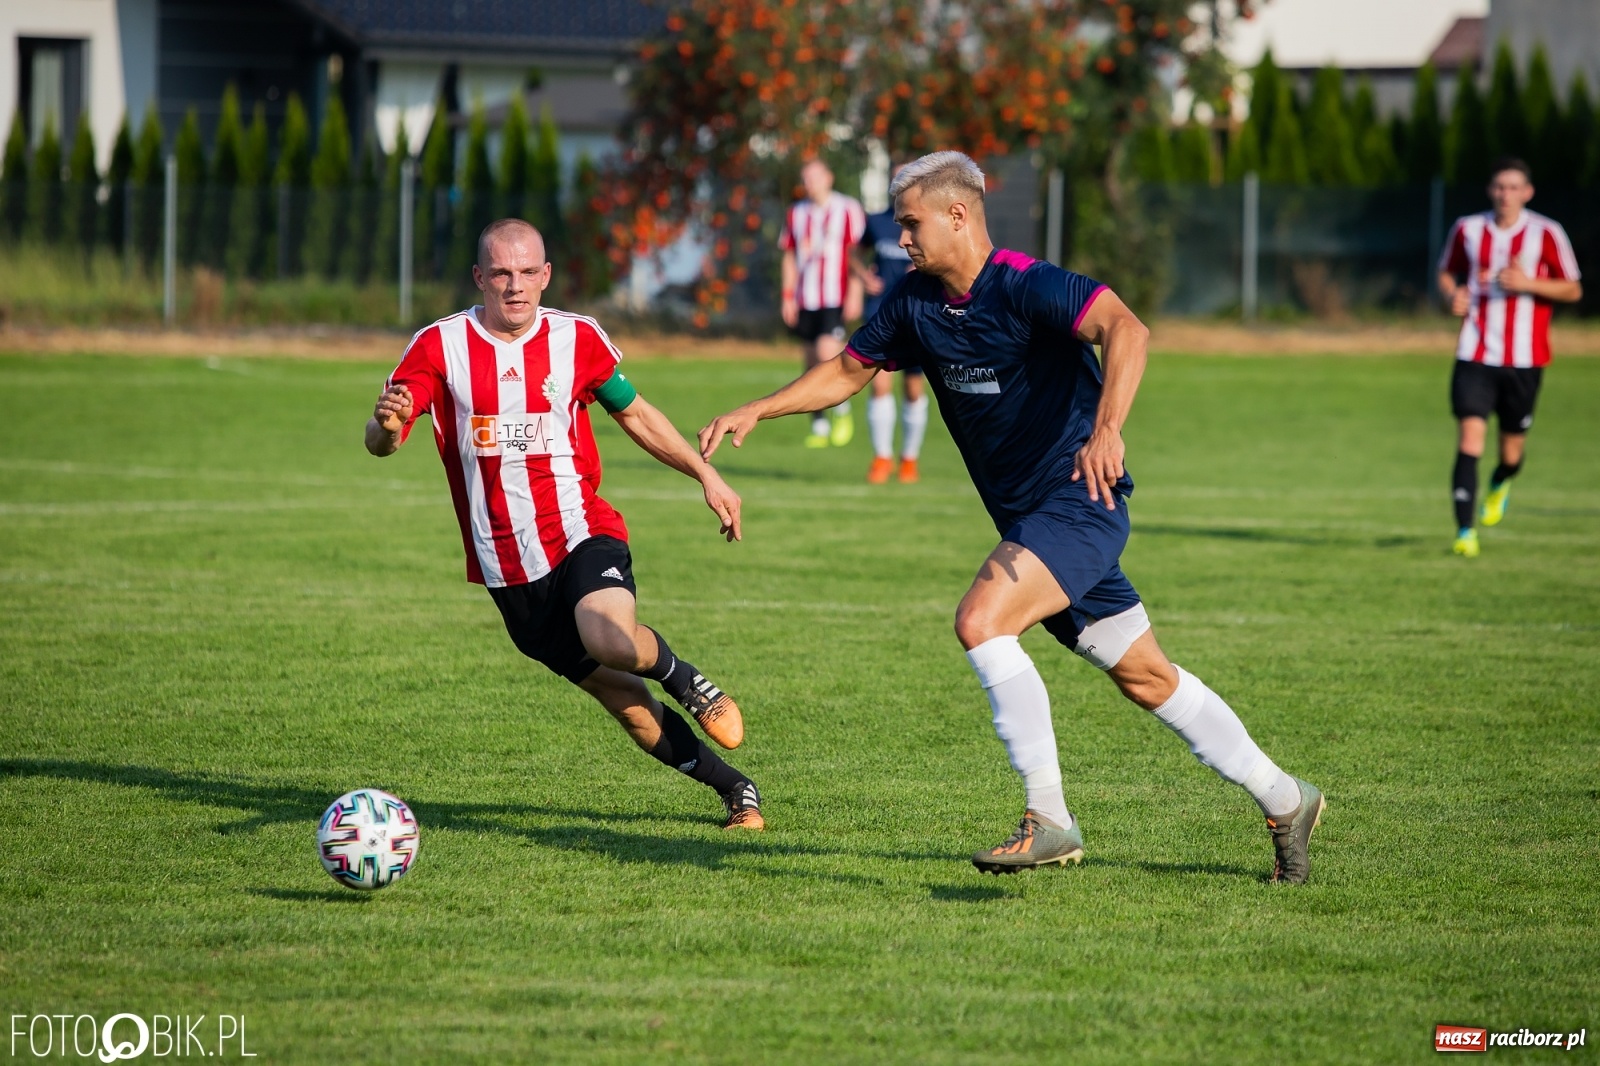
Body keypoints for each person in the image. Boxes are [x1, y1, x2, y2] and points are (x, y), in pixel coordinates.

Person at [701, 152, 1323, 881]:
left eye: (911, 223)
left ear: (958, 215)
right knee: (1148, 677)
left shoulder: (1027, 285)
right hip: (1031, 522)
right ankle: (1288, 798)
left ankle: (1048, 816)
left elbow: (1129, 330)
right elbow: (847, 369)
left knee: (981, 620)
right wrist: (761, 407)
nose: (901, 239)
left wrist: (1108, 427)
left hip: (1079, 503)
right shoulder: (914, 301)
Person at [366, 218, 764, 830]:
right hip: (509, 573)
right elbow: (382, 439)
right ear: (479, 277)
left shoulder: (575, 338)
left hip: (581, 529)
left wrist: (705, 475)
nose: (515, 286)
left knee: (608, 635)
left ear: (546, 276)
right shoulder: (439, 346)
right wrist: (386, 427)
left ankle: (687, 680)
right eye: (501, 273)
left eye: (528, 273)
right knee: (627, 705)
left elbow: (636, 415)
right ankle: (736, 791)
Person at [1437, 157, 1583, 558]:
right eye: (1500, 186)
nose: (1506, 194)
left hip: (1525, 359)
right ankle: (1465, 531)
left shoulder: (1546, 233)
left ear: (1527, 192)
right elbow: (1446, 272)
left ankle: (1501, 483)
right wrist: (1453, 295)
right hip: (1475, 352)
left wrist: (1528, 283)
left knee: (1511, 454)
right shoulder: (1468, 228)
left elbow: (1573, 290)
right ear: (1490, 190)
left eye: (1514, 187)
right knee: (1469, 437)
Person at [780, 158, 867, 449]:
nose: (810, 184)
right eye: (805, 179)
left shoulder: (847, 208)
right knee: (809, 362)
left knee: (826, 352)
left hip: (835, 295)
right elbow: (789, 256)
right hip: (807, 297)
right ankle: (817, 423)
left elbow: (856, 253)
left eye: (815, 177)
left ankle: (841, 410)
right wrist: (788, 296)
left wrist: (855, 291)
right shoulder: (796, 213)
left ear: (829, 178)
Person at [857, 170, 929, 484]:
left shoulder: (927, 223)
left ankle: (909, 459)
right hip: (880, 311)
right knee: (879, 384)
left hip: (916, 313)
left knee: (914, 390)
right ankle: (882, 457)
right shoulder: (876, 222)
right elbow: (853, 252)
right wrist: (862, 276)